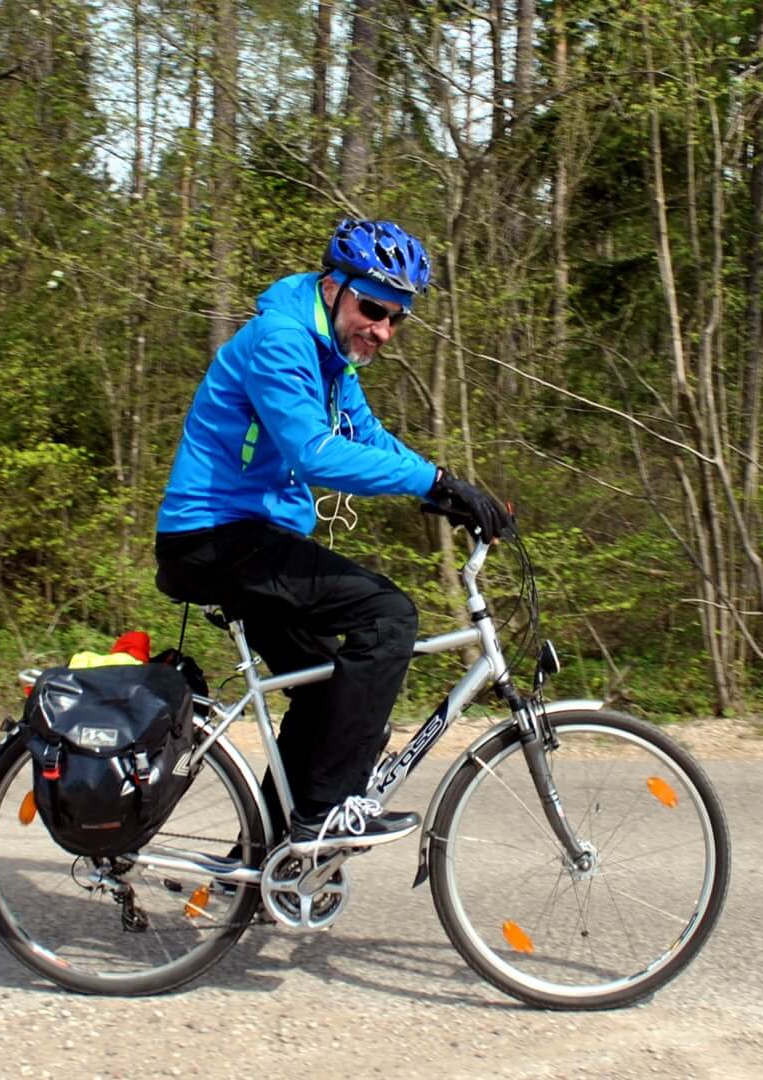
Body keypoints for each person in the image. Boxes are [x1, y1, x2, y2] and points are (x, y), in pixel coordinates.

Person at [153, 219, 511, 856]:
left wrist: (448, 489)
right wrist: (430, 480)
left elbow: (365, 436)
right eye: (373, 308)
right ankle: (320, 815)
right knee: (388, 616)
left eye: (396, 318)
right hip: (215, 537)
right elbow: (316, 453)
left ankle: (269, 857)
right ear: (332, 285)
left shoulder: (331, 357)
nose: (382, 329)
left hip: (251, 537)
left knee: (324, 687)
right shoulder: (282, 340)